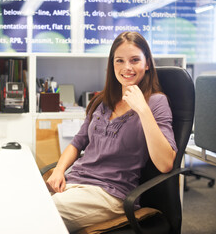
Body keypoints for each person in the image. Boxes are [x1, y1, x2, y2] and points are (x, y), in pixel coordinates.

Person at [46, 31, 178, 233]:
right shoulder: (102, 101)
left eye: (135, 60)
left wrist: (142, 109)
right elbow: (77, 142)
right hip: (76, 182)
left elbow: (166, 163)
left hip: (110, 193)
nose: (127, 67)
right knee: (22, 199)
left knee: (40, 214)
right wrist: (59, 170)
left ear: (147, 63)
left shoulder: (157, 102)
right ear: (112, 65)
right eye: (120, 61)